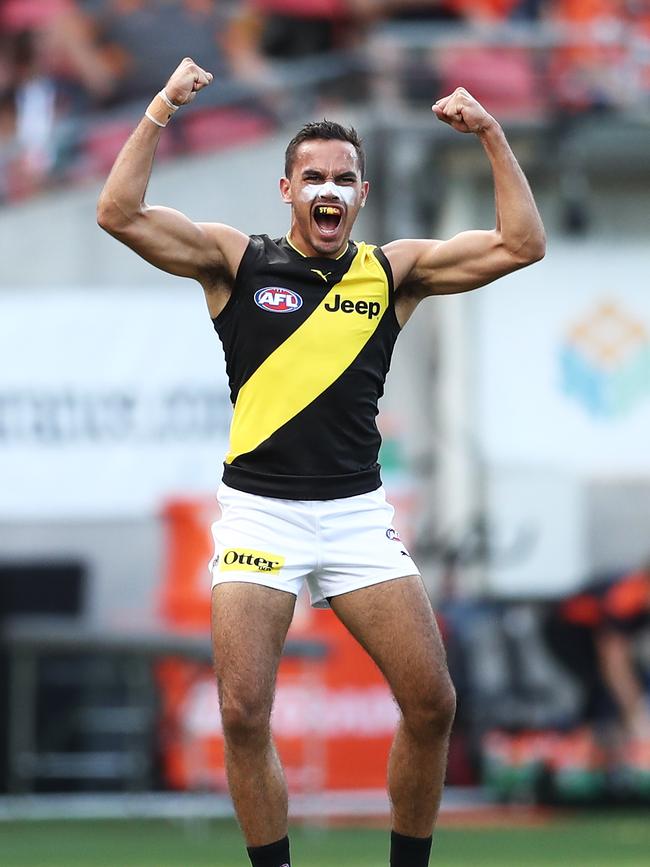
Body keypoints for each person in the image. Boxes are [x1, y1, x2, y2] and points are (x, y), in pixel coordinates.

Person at [97, 57, 545, 867]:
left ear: (362, 196)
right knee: (242, 710)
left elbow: (523, 243)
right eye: (312, 176)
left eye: (344, 178)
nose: (328, 189)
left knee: (432, 701)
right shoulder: (239, 262)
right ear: (287, 189)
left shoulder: (390, 272)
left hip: (355, 519)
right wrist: (163, 103)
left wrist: (491, 131)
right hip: (260, 514)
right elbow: (117, 211)